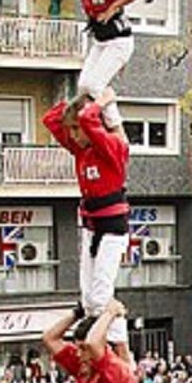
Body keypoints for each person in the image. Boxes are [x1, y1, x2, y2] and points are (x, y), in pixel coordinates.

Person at [40, 99, 133, 346]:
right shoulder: (81, 151)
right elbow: (50, 119)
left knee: (102, 293)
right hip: (92, 226)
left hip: (113, 228)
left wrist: (100, 101)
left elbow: (91, 121)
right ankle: (100, 340)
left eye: (76, 128)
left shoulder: (111, 148)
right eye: (70, 129)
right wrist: (79, 95)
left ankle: (121, 349)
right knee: (89, 298)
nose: (73, 135)